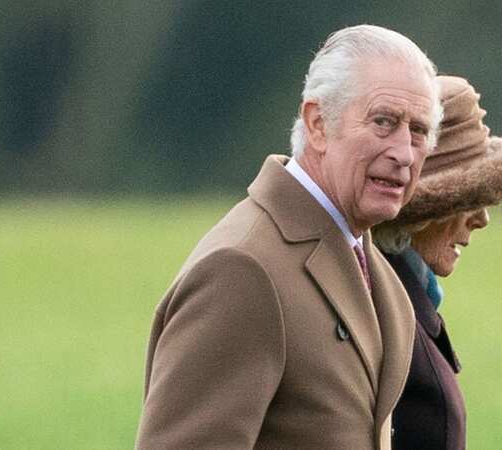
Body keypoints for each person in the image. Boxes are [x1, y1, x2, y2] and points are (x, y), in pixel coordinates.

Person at [135, 25, 443, 449]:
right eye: (383, 122)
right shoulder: (242, 269)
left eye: (418, 132)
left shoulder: (374, 268)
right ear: (317, 123)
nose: (404, 153)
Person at [372, 75, 502, 450]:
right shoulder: (390, 320)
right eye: (465, 201)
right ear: (419, 215)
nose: (481, 219)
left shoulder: (392, 295)